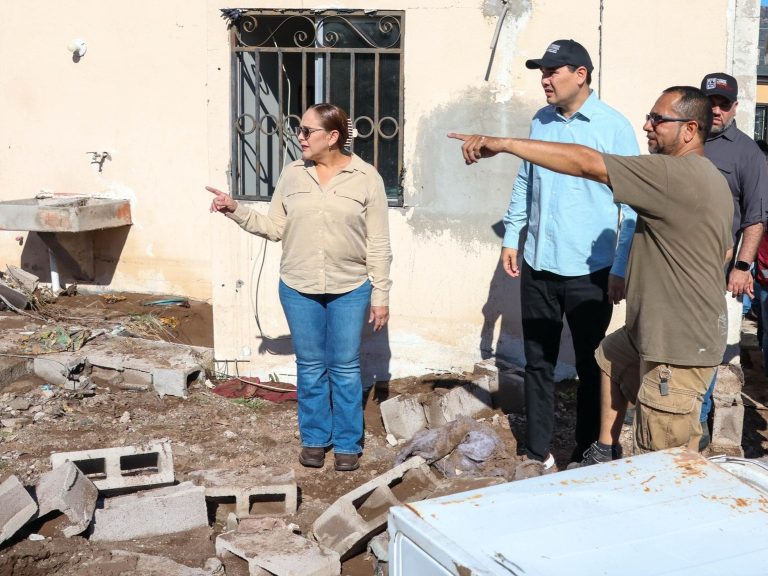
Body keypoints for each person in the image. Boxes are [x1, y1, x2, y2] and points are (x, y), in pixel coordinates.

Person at [449, 85, 733, 463]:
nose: (647, 125)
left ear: (689, 129)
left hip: (677, 346)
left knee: (665, 463)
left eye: (658, 119)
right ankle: (603, 448)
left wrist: (503, 144)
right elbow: (724, 249)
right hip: (658, 329)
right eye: (649, 117)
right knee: (609, 356)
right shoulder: (708, 177)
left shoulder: (672, 174)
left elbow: (587, 164)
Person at [207, 103, 392, 472]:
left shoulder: (366, 178)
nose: (300, 136)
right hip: (298, 286)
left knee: (344, 367)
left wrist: (381, 295)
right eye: (300, 128)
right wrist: (235, 209)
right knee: (310, 367)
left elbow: (379, 243)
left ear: (333, 137)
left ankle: (347, 443)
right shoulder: (292, 174)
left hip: (349, 287)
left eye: (308, 131)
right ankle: (314, 439)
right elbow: (275, 227)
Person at [498, 39, 639, 473]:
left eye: (552, 71)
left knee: (592, 364)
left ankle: (586, 450)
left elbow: (632, 206)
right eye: (542, 72)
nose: (544, 79)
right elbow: (526, 181)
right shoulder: (540, 121)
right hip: (539, 262)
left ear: (580, 75)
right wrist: (512, 236)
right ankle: (536, 450)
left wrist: (620, 267)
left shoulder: (613, 128)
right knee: (537, 361)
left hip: (591, 270)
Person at [697, 73, 768, 450]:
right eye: (710, 102)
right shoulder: (686, 139)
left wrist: (742, 267)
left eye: (724, 104)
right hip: (673, 267)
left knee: (708, 345)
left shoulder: (747, 152)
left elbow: (755, 217)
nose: (717, 110)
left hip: (717, 271)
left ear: (735, 107)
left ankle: (699, 420)